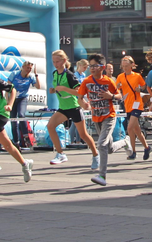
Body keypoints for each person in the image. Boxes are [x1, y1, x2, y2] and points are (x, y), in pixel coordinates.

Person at [46, 50, 99, 169]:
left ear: (64, 61)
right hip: (63, 108)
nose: (55, 64)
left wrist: (64, 88)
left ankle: (96, 155)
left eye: (57, 61)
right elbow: (59, 88)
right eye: (54, 62)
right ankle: (60, 154)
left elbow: (79, 91)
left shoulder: (69, 75)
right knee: (50, 126)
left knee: (83, 135)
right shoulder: (55, 73)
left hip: (74, 107)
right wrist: (54, 90)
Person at [78, 54, 122, 186]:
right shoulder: (87, 81)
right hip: (96, 117)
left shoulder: (108, 81)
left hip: (109, 116)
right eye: (90, 66)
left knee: (101, 144)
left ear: (102, 67)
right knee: (108, 148)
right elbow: (80, 97)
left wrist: (111, 96)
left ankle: (102, 175)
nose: (91, 68)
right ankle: (124, 142)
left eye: (95, 66)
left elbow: (119, 96)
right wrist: (84, 104)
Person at [116, 56, 152, 160]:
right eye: (123, 66)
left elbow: (144, 86)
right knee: (136, 130)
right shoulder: (120, 77)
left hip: (137, 104)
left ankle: (133, 151)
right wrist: (117, 88)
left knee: (130, 127)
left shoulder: (137, 76)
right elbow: (116, 89)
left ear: (132, 65)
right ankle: (146, 147)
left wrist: (139, 88)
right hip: (128, 105)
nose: (125, 68)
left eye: (127, 66)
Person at [9, 60, 41, 151]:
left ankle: (26, 136)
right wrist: (8, 101)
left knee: (22, 115)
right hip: (13, 98)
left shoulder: (30, 77)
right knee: (13, 119)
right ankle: (16, 141)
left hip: (22, 98)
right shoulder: (15, 74)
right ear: (23, 67)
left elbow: (38, 86)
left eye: (30, 68)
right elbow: (8, 86)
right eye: (27, 68)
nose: (28, 70)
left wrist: (36, 75)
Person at [69, 58, 89, 145]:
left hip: (82, 98)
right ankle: (72, 140)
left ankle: (77, 140)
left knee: (79, 120)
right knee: (75, 121)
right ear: (80, 66)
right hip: (76, 99)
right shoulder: (75, 75)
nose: (85, 69)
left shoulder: (83, 75)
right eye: (84, 67)